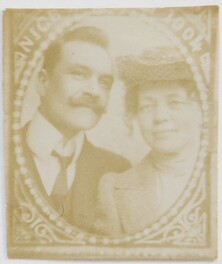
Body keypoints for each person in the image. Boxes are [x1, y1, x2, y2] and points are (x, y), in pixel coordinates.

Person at [20, 26, 131, 232]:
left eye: (104, 82)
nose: (94, 91)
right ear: (43, 82)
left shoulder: (119, 171)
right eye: (79, 74)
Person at [94, 46, 202, 237]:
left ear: (200, 109)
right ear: (135, 114)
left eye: (174, 102)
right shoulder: (112, 189)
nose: (160, 116)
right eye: (147, 106)